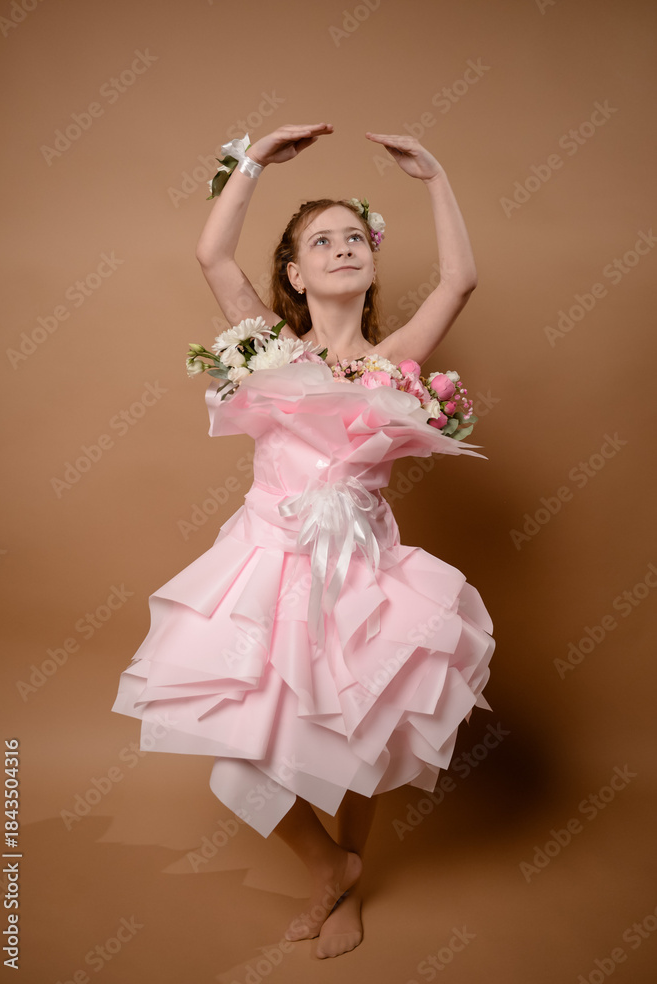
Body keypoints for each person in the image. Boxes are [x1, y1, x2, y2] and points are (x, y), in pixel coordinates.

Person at [111, 124, 495, 960]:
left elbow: (461, 279)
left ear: (370, 261)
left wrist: (434, 175)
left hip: (360, 573)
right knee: (235, 768)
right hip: (264, 568)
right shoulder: (265, 348)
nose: (342, 247)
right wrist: (252, 162)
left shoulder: (394, 364)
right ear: (294, 273)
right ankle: (332, 865)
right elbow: (213, 255)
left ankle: (345, 887)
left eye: (355, 236)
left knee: (361, 738)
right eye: (322, 241)